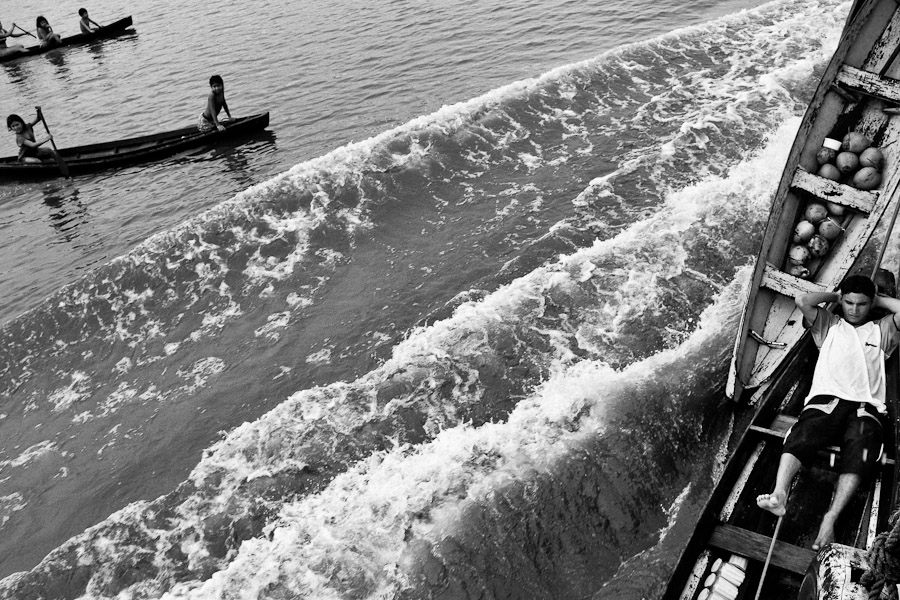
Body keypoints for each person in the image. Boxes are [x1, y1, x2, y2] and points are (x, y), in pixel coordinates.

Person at [757, 274, 900, 550]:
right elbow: (802, 300)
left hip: (865, 408)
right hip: (827, 401)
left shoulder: (882, 330)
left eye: (861, 304)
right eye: (849, 302)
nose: (854, 309)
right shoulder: (829, 324)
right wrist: (835, 295)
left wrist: (877, 298)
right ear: (841, 301)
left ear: (871, 304)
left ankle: (830, 517)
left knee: (863, 451)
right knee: (804, 433)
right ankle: (779, 494)